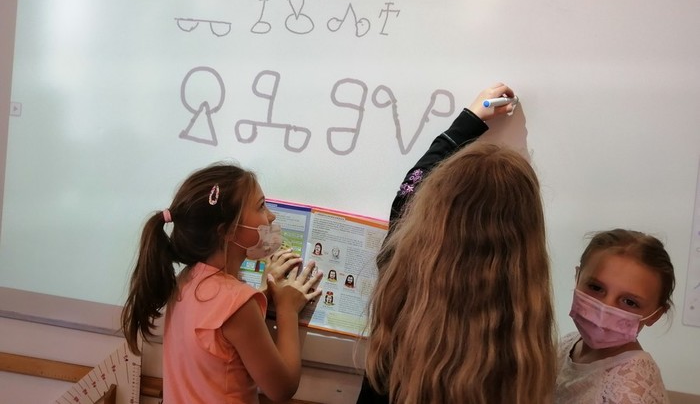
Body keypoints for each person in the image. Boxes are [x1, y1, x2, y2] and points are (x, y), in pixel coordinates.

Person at [357, 83, 557, 404]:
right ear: (527, 243)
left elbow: (410, 190)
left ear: (431, 215)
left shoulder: (402, 284)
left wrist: (468, 122)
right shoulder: (521, 341)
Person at [121, 163, 323, 403]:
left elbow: (219, 332)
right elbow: (282, 388)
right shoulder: (238, 305)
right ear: (227, 231)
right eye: (261, 206)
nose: (271, 216)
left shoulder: (187, 278)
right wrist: (287, 310)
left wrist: (263, 291)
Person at [555, 229, 675, 404]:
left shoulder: (631, 389)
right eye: (596, 288)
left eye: (629, 302)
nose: (605, 309)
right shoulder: (568, 344)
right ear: (577, 277)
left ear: (654, 315)